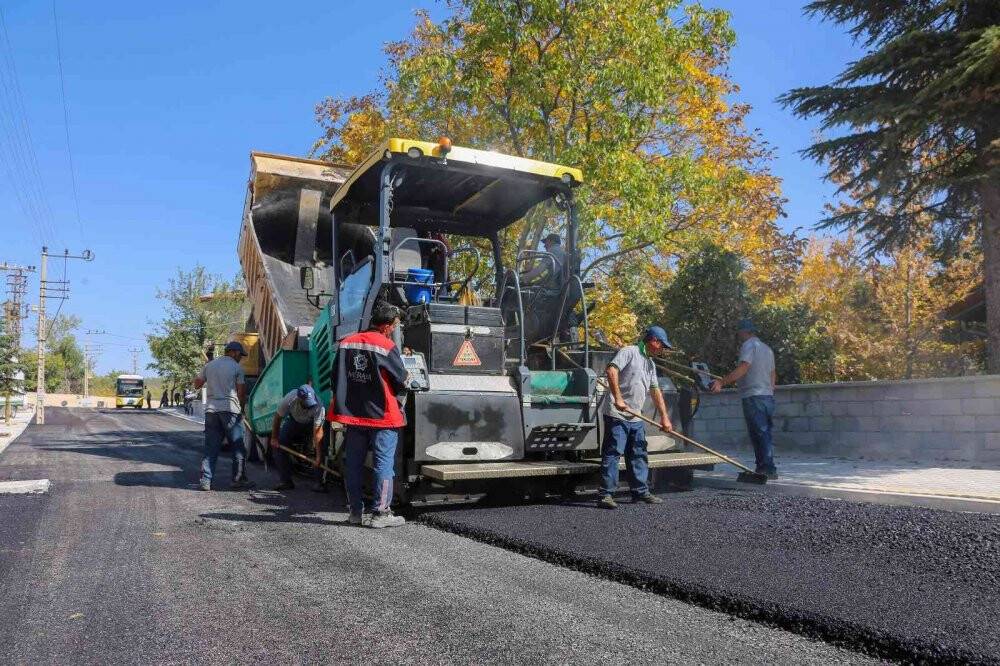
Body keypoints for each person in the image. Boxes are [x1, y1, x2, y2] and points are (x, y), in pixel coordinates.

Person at [327, 303, 408, 528]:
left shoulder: (346, 343)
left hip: (354, 415)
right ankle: (381, 514)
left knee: (353, 463)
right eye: (394, 326)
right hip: (382, 416)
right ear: (387, 326)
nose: (393, 330)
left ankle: (355, 512)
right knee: (383, 464)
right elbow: (401, 380)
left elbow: (335, 377)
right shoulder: (386, 345)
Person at [597, 326, 674, 509]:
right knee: (613, 452)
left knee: (638, 453)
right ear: (654, 341)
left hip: (635, 416)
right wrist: (618, 399)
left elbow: (655, 391)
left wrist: (665, 417)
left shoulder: (650, 363)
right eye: (662, 346)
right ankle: (606, 495)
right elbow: (611, 371)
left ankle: (640, 492)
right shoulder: (629, 352)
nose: (662, 350)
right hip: (617, 414)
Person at [710, 319, 778, 479]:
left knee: (758, 433)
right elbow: (773, 374)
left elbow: (744, 367)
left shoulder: (749, 345)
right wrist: (769, 390)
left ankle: (767, 468)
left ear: (744, 332)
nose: (738, 335)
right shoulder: (767, 349)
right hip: (767, 396)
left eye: (739, 332)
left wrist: (721, 382)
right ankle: (764, 467)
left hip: (754, 396)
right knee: (765, 432)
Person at [193, 341, 250, 491]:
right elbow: (241, 393)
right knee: (238, 447)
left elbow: (197, 384)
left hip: (211, 411)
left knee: (211, 447)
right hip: (230, 410)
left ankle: (205, 481)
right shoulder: (237, 368)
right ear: (235, 352)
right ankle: (238, 479)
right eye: (240, 355)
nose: (240, 358)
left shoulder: (209, 365)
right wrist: (242, 410)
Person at [269, 385, 325, 491]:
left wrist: (318, 456)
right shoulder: (289, 398)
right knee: (279, 445)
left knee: (322, 446)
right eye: (305, 402)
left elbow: (318, 432)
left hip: (311, 423)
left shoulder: (318, 405)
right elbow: (277, 418)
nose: (309, 405)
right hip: (294, 421)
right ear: (299, 399)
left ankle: (319, 482)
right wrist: (274, 438)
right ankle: (285, 481)